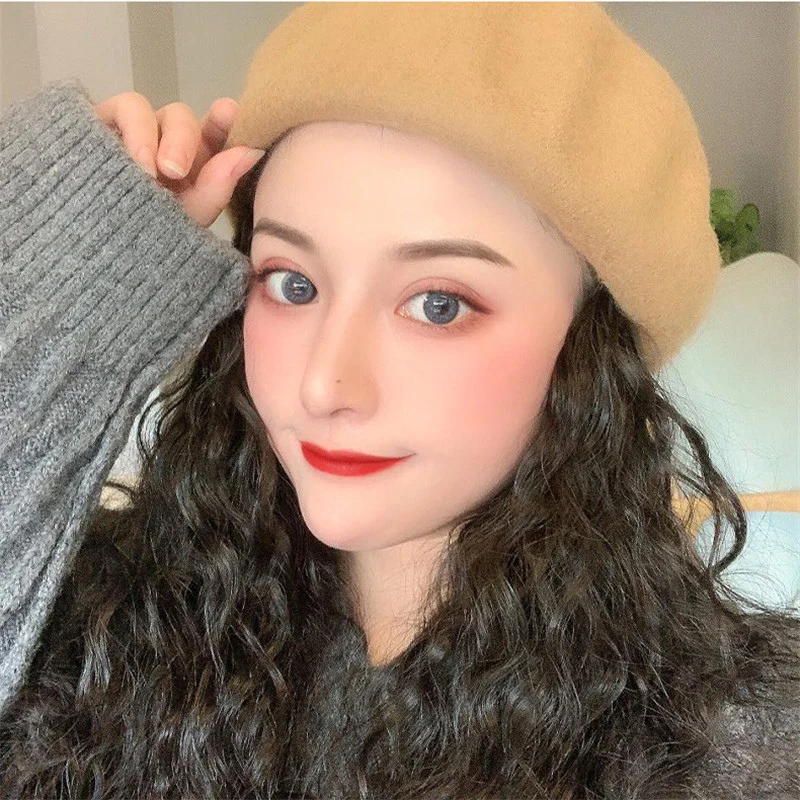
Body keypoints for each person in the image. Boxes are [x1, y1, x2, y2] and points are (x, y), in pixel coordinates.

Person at [1, 3, 798, 798]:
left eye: (438, 304)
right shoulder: (103, 627)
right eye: (293, 284)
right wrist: (57, 267)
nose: (325, 385)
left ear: (588, 350)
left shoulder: (734, 742)